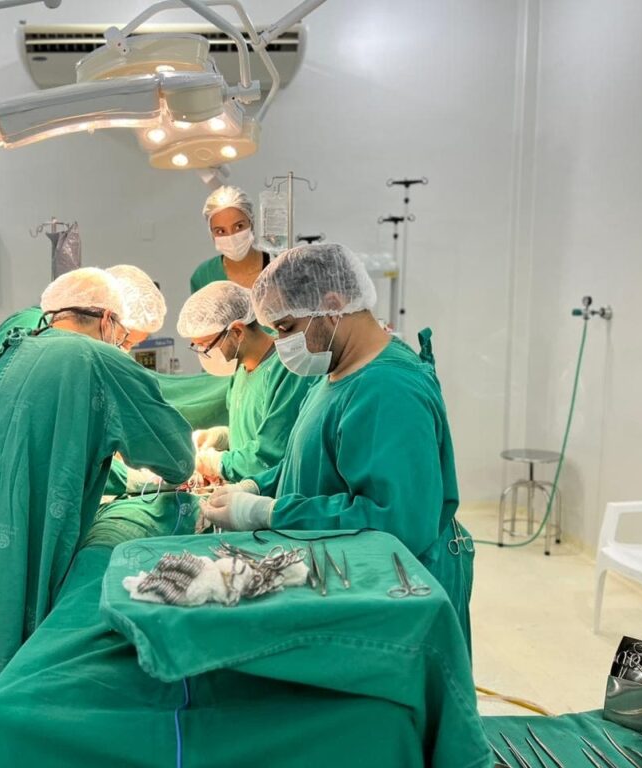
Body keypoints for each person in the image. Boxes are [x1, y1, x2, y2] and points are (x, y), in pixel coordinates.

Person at [0, 268, 194, 768]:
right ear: (108, 320)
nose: (124, 347)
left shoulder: (10, 342)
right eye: (126, 338)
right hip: (14, 540)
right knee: (6, 662)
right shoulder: (98, 360)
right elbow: (177, 458)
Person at [198, 244, 474, 650]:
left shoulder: (388, 391)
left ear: (332, 305)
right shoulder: (335, 370)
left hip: (399, 597)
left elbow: (396, 521)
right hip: (352, 580)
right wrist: (257, 487)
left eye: (286, 327)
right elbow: (310, 459)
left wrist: (269, 513)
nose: (280, 342)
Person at [176, 281, 315, 484]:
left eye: (206, 345)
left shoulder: (287, 369)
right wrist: (223, 438)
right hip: (243, 492)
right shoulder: (240, 370)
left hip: (272, 497)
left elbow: (270, 457)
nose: (203, 353)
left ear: (238, 332)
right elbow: (251, 435)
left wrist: (217, 463)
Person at [190, 185, 272, 293]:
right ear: (212, 234)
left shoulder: (277, 267)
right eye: (221, 231)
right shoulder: (203, 276)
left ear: (251, 223)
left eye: (239, 226)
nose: (231, 237)